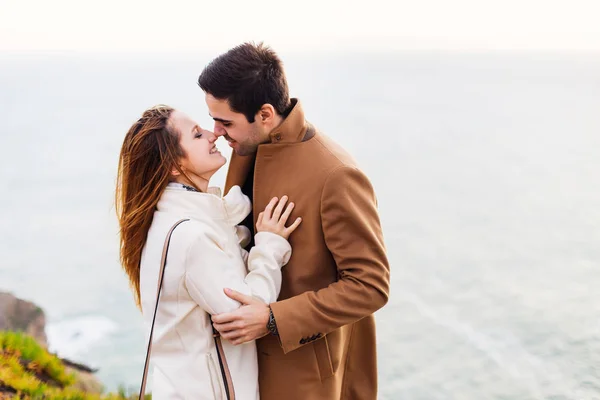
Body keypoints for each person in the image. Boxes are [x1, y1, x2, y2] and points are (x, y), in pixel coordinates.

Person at [199, 43, 391, 399]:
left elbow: (371, 285)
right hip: (240, 364)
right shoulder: (246, 148)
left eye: (225, 122)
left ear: (266, 114)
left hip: (303, 376)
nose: (216, 132)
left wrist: (273, 318)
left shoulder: (337, 174)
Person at [115, 105, 301, 399]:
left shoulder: (167, 218)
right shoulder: (193, 238)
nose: (213, 134)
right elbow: (248, 313)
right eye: (197, 134)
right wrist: (270, 245)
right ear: (174, 166)